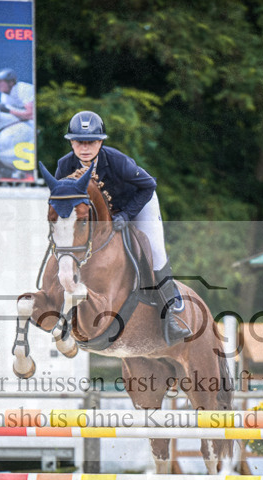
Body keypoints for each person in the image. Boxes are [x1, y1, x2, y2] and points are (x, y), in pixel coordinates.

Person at [53, 110, 190, 345]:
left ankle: (170, 317)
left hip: (136, 204)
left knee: (154, 250)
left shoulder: (117, 162)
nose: (84, 147)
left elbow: (148, 185)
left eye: (91, 142)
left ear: (101, 142)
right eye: (79, 141)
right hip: (99, 218)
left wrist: (127, 214)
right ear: (71, 142)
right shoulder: (64, 165)